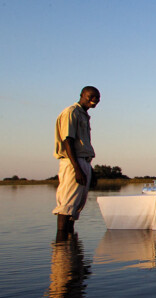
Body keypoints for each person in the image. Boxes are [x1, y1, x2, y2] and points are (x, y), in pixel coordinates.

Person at [53, 86, 100, 233]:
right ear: (82, 95)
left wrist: (89, 169)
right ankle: (61, 247)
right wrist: (77, 169)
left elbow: (82, 145)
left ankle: (70, 246)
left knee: (75, 208)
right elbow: (68, 141)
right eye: (91, 96)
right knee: (66, 206)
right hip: (73, 163)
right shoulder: (71, 112)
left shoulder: (83, 115)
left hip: (83, 162)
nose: (94, 100)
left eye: (97, 98)